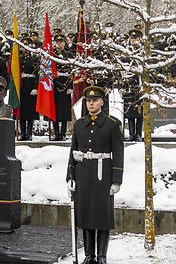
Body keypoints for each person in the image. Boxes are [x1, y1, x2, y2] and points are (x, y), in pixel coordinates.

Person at [66, 86, 124, 264]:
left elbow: (118, 154)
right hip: (83, 175)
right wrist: (70, 177)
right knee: (86, 216)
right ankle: (89, 255)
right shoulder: (79, 125)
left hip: (103, 176)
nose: (91, 103)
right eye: (88, 101)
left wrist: (116, 181)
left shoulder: (112, 124)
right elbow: (73, 152)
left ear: (101, 102)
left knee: (103, 216)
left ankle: (102, 256)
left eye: (94, 100)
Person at [123, 29, 143, 142]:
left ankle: (138, 134)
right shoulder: (126, 51)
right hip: (129, 85)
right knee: (130, 112)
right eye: (132, 38)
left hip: (140, 86)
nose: (133, 40)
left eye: (135, 38)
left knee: (140, 113)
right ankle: (131, 134)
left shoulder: (143, 51)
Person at [52, 34, 73, 141]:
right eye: (57, 42)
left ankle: (63, 133)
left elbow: (72, 71)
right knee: (55, 109)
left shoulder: (69, 55)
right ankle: (56, 133)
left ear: (65, 43)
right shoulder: (52, 55)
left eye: (60, 42)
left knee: (64, 111)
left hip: (65, 84)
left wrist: (71, 86)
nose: (58, 44)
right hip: (54, 84)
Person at [19, 37, 40, 141]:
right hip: (22, 86)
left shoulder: (34, 59)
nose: (25, 48)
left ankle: (29, 133)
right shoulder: (18, 58)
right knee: (22, 111)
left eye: (27, 45)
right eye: (23, 45)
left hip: (31, 85)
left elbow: (37, 74)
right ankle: (22, 133)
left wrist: (36, 87)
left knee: (30, 111)